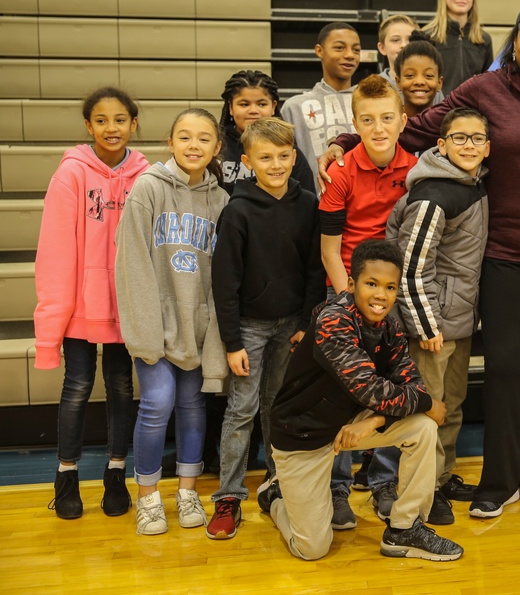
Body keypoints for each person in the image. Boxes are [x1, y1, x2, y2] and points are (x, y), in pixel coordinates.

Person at [321, 0, 520, 518]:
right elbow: (419, 127)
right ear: (515, 41)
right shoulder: (485, 89)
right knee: (506, 369)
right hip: (507, 254)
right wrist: (345, 142)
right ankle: (499, 480)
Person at [264, 240, 463, 562]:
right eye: (372, 284)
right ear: (352, 284)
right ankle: (276, 495)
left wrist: (375, 420)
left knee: (422, 427)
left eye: (389, 287)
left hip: (351, 425)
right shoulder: (333, 321)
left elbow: (410, 383)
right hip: (304, 435)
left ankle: (404, 529)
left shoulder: (390, 329)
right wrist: (427, 403)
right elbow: (372, 390)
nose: (381, 295)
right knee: (312, 549)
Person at [206, 117, 326, 540]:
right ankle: (229, 495)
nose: (275, 164)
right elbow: (225, 282)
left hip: (291, 325)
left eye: (282, 156)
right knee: (242, 409)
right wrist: (233, 341)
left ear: (294, 157)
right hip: (249, 328)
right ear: (247, 161)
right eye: (265, 157)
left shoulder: (309, 203)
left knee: (279, 405)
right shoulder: (236, 210)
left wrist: (308, 322)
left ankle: (279, 482)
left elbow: (316, 269)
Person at [36, 87, 149, 520]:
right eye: (101, 120)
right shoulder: (70, 174)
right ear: (88, 127)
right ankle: (66, 475)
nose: (111, 128)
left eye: (120, 119)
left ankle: (117, 472)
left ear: (133, 124)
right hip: (80, 309)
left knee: (122, 388)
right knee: (77, 388)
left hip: (126, 308)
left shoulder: (146, 175)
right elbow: (55, 252)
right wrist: (51, 330)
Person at [115, 108, 230, 536]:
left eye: (204, 139)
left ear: (217, 148)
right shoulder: (147, 189)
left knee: (192, 406)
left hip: (198, 326)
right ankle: (147, 497)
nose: (194, 145)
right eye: (185, 137)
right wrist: (145, 332)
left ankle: (186, 491)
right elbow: (131, 264)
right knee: (157, 401)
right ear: (170, 142)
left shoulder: (220, 200)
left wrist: (214, 332)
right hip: (155, 325)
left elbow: (224, 275)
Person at [319, 74, 419, 526]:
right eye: (367, 120)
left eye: (386, 118)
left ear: (402, 120)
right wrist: (349, 301)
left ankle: (382, 480)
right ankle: (337, 487)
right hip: (346, 288)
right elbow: (328, 246)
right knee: (343, 388)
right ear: (354, 123)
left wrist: (383, 300)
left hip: (393, 291)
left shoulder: (416, 169)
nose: (378, 128)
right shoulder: (339, 171)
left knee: (391, 384)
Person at [385, 107, 490, 524]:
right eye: (459, 138)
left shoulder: (473, 184)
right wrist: (427, 327)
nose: (469, 145)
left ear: (488, 146)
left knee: (453, 405)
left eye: (477, 138)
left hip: (458, 321)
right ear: (441, 145)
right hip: (432, 327)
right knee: (426, 413)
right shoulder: (433, 194)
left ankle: (441, 479)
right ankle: (418, 497)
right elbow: (410, 268)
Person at [281, 22, 361, 180]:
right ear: (319, 51)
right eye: (339, 47)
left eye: (356, 49)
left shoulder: (373, 103)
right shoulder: (294, 107)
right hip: (313, 201)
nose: (350, 55)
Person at [218, 70, 315, 194]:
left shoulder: (287, 150)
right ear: (231, 107)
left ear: (274, 107)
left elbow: (305, 199)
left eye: (262, 104)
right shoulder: (216, 148)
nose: (253, 110)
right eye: (244, 104)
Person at [423, 0, 492, 96]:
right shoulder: (428, 37)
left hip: (472, 112)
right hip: (439, 110)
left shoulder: (484, 39)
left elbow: (487, 83)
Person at [394, 32, 446, 121]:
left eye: (428, 75)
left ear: (439, 83)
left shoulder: (447, 126)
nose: (419, 82)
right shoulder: (390, 125)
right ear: (398, 82)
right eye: (410, 75)